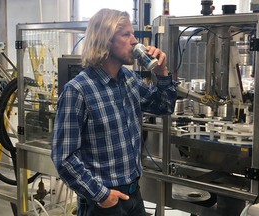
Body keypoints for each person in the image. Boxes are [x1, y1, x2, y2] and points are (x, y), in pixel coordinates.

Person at [51, 8, 177, 216]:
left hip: (134, 195)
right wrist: (102, 195)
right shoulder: (78, 91)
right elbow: (64, 157)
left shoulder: (130, 80)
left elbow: (164, 106)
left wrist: (162, 73)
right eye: (126, 34)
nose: (135, 41)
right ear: (105, 40)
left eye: (133, 34)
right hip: (103, 204)